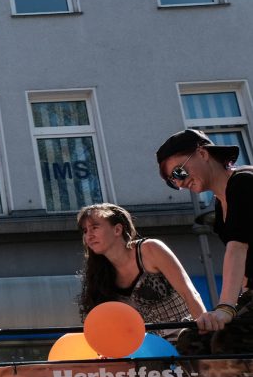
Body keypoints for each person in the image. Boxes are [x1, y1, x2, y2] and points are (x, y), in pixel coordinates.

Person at [156, 129, 252, 351]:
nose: (179, 184)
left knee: (227, 342)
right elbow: (246, 270)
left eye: (178, 172)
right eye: (172, 181)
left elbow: (238, 248)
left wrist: (226, 309)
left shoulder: (243, 182)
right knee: (192, 341)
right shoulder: (220, 205)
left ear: (202, 153)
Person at [76, 203, 206, 341]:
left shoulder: (150, 249)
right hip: (151, 351)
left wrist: (205, 334)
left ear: (117, 229)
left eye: (94, 228)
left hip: (189, 339)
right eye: (85, 231)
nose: (89, 236)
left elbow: (190, 293)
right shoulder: (98, 275)